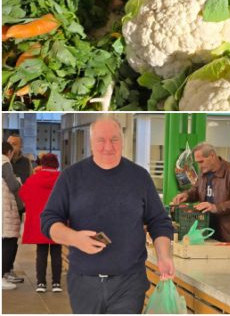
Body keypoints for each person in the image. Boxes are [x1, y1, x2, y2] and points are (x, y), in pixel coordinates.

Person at [39, 118, 175, 313]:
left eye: (114, 139)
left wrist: (164, 256)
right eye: (101, 140)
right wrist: (75, 238)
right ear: (91, 143)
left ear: (123, 141)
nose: (108, 147)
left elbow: (159, 221)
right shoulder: (71, 176)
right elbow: (49, 220)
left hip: (129, 283)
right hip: (84, 283)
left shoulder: (139, 177)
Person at [171, 143, 230, 245]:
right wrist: (186, 195)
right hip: (208, 229)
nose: (199, 165)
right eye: (197, 163)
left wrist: (215, 207)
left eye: (201, 161)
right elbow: (196, 190)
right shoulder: (203, 172)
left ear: (212, 155)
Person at [19, 153, 63, 293]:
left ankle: (41, 283)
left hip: (40, 222)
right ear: (56, 164)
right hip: (58, 221)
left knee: (41, 253)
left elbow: (23, 194)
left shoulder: (34, 179)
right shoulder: (62, 179)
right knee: (57, 252)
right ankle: (56, 283)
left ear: (42, 164)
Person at [2, 141, 23, 289]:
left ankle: (5, 273)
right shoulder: (4, 162)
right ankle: (3, 275)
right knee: (9, 241)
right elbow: (13, 185)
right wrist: (19, 182)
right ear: (8, 152)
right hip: (5, 208)